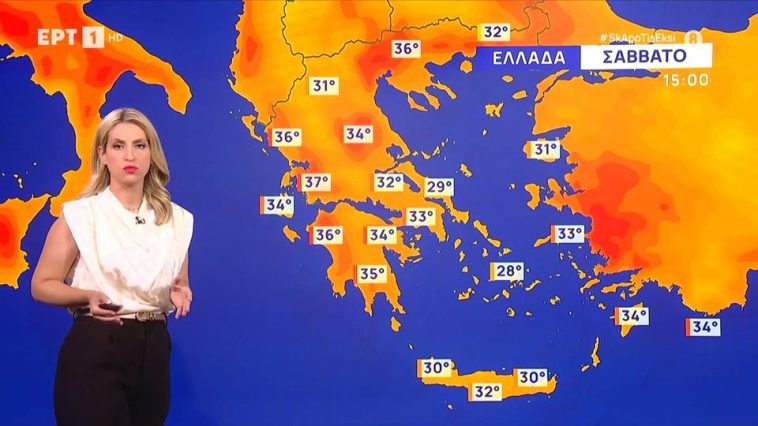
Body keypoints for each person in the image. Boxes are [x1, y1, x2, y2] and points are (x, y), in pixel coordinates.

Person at [31, 107, 194, 426]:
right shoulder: (81, 216)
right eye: (118, 146)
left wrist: (179, 292)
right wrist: (86, 296)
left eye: (139, 145)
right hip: (97, 344)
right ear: (103, 155)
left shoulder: (176, 219)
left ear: (152, 153)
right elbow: (42, 284)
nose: (129, 155)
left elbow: (179, 282)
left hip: (154, 348)